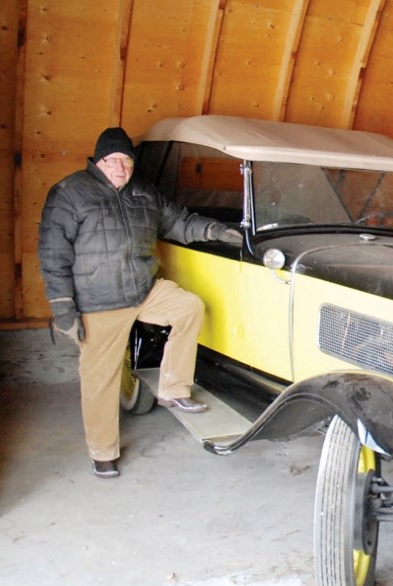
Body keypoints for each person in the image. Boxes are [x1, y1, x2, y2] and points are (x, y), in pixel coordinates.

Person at [38, 126, 242, 479]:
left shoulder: (144, 193)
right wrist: (63, 308)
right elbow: (53, 253)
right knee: (100, 380)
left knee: (189, 307)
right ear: (98, 161)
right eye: (113, 160)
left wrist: (214, 231)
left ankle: (173, 389)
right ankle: (103, 451)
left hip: (142, 289)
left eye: (127, 161)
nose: (121, 168)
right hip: (98, 300)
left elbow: (179, 221)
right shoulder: (70, 193)